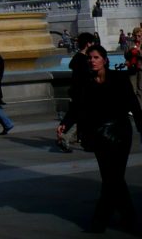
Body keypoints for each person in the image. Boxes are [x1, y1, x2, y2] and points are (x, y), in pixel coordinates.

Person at [58, 44, 142, 233]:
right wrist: (65, 123)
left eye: (96, 57)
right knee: (112, 178)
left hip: (119, 132)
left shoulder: (119, 78)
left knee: (114, 177)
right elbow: (77, 107)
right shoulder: (85, 82)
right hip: (98, 135)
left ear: (105, 60)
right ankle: (128, 218)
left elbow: (133, 104)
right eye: (90, 58)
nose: (92, 61)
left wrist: (140, 124)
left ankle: (101, 220)